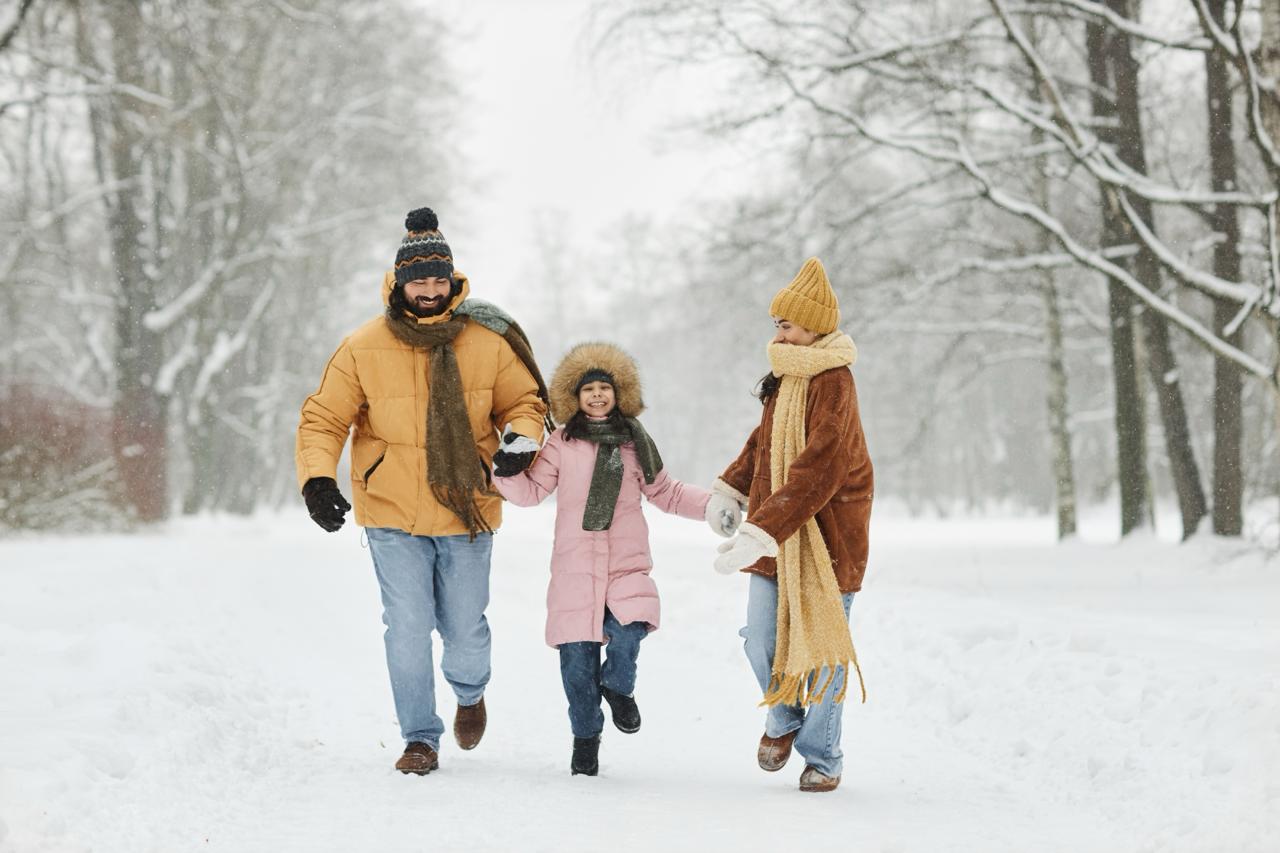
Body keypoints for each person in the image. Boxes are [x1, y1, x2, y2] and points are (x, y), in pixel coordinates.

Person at [295, 208, 551, 775]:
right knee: (406, 625)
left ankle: (469, 691)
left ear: (453, 280)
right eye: (419, 280)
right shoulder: (362, 346)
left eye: (439, 280)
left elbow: (527, 403)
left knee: (465, 631)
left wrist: (520, 440)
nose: (430, 291)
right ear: (399, 282)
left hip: (468, 508)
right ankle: (419, 736)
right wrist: (317, 477)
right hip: (390, 511)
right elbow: (323, 419)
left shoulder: (487, 340)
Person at [493, 342, 724, 776]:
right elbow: (531, 493)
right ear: (574, 398)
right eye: (588, 390)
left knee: (631, 629)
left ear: (620, 394)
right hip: (575, 570)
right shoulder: (561, 444)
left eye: (605, 388)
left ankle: (619, 687)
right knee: (577, 670)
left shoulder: (635, 442)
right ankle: (586, 739)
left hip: (625, 564)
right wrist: (505, 470)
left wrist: (712, 505)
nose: (597, 395)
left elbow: (666, 492)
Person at [708, 257, 874, 793]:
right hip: (776, 527)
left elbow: (821, 467)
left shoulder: (834, 381)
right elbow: (763, 444)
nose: (778, 329)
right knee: (760, 639)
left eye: (788, 321)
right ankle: (782, 716)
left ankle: (823, 757)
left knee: (823, 648)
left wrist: (763, 528)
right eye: (775, 321)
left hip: (828, 536)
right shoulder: (784, 377)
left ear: (815, 325)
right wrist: (732, 486)